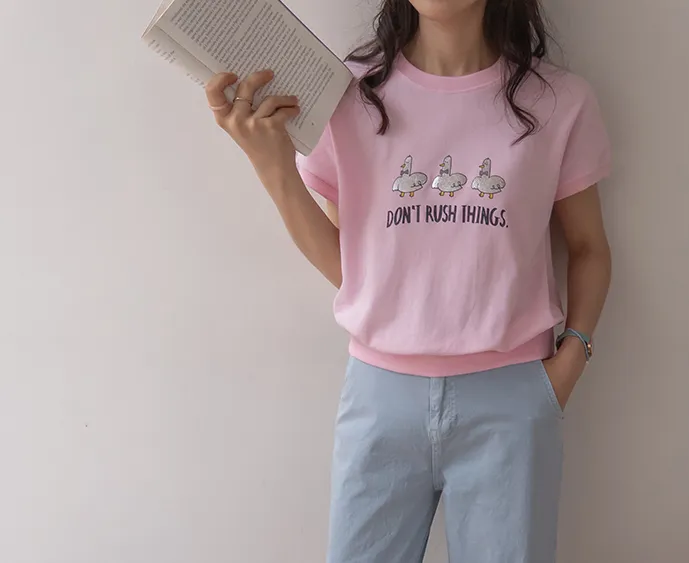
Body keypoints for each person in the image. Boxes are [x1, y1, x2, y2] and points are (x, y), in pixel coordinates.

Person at [205, 0, 612, 560]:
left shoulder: (559, 101)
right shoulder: (347, 94)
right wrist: (270, 164)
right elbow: (353, 266)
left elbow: (589, 248)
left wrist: (569, 362)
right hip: (380, 396)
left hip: (511, 401)